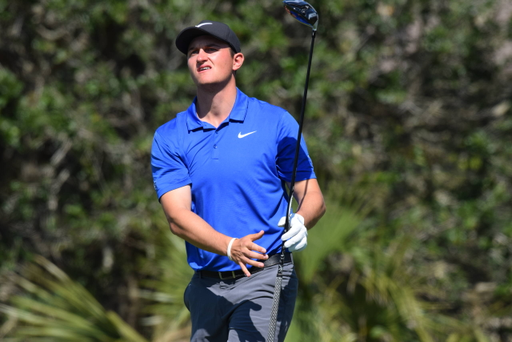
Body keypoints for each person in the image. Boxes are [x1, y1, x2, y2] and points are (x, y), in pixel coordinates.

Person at [151, 20, 325, 342]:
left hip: (266, 275)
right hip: (206, 286)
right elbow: (178, 218)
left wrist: (301, 220)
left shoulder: (275, 122)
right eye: (193, 51)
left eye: (212, 48)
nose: (201, 56)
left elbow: (312, 195)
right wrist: (230, 246)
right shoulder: (170, 137)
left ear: (237, 61)